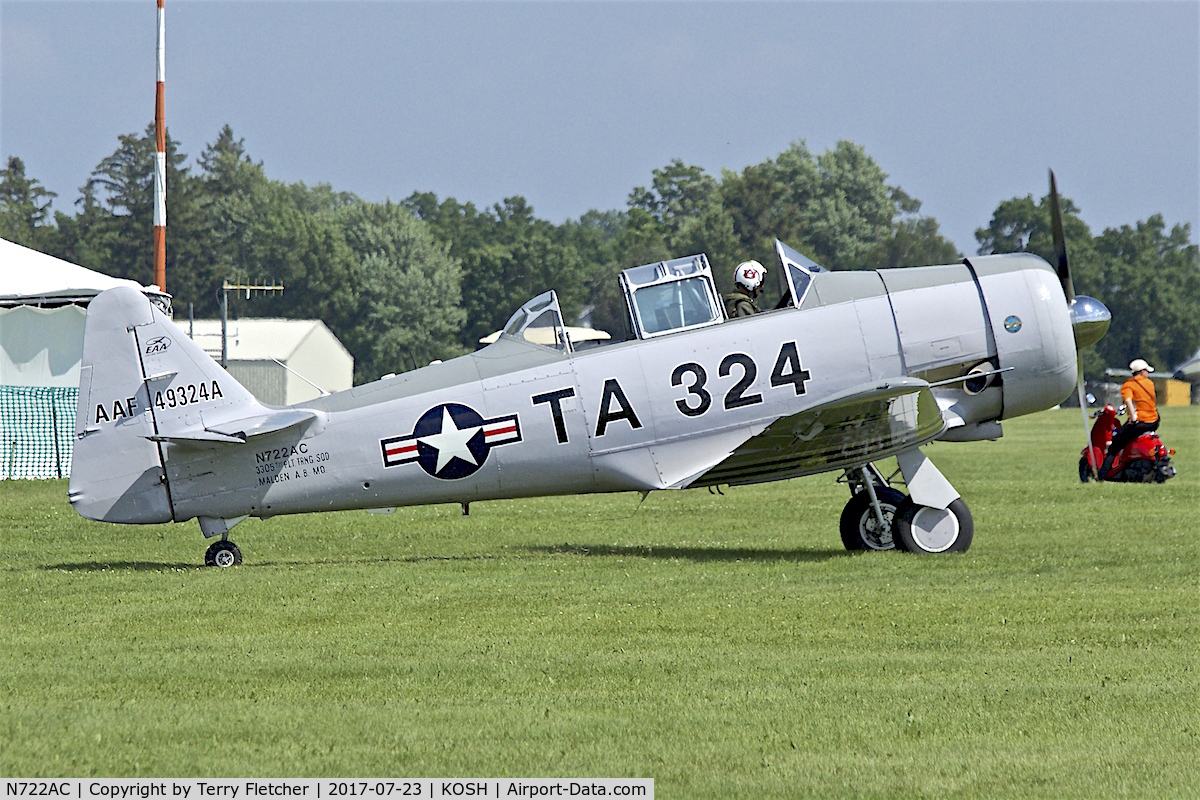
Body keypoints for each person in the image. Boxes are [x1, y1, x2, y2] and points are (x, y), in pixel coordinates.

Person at [1097, 358, 1159, 480]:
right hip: (1154, 421)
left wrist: (1133, 417)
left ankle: (1101, 475)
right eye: (1146, 371)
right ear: (1141, 372)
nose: (1147, 373)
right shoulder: (1150, 383)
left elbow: (1128, 401)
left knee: (1115, 446)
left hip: (1140, 422)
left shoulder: (1128, 385)